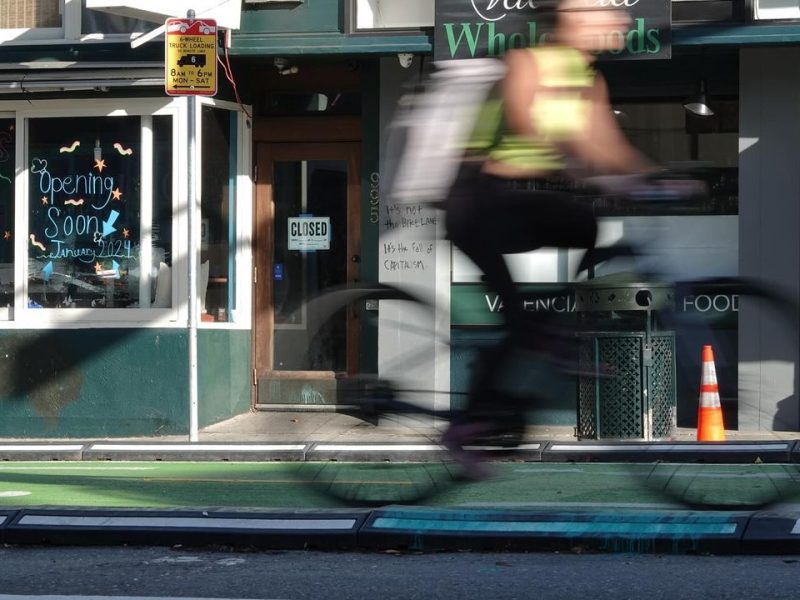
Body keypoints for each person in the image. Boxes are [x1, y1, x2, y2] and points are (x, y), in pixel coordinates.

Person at [441, 0, 662, 476]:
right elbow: (527, 122)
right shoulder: (526, 63)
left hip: (524, 203)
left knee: (586, 225)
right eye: (602, 11)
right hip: (478, 202)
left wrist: (661, 177)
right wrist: (588, 167)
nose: (617, 18)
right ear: (572, 21)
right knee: (518, 321)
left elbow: (610, 146)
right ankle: (462, 430)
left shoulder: (589, 80)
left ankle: (557, 332)